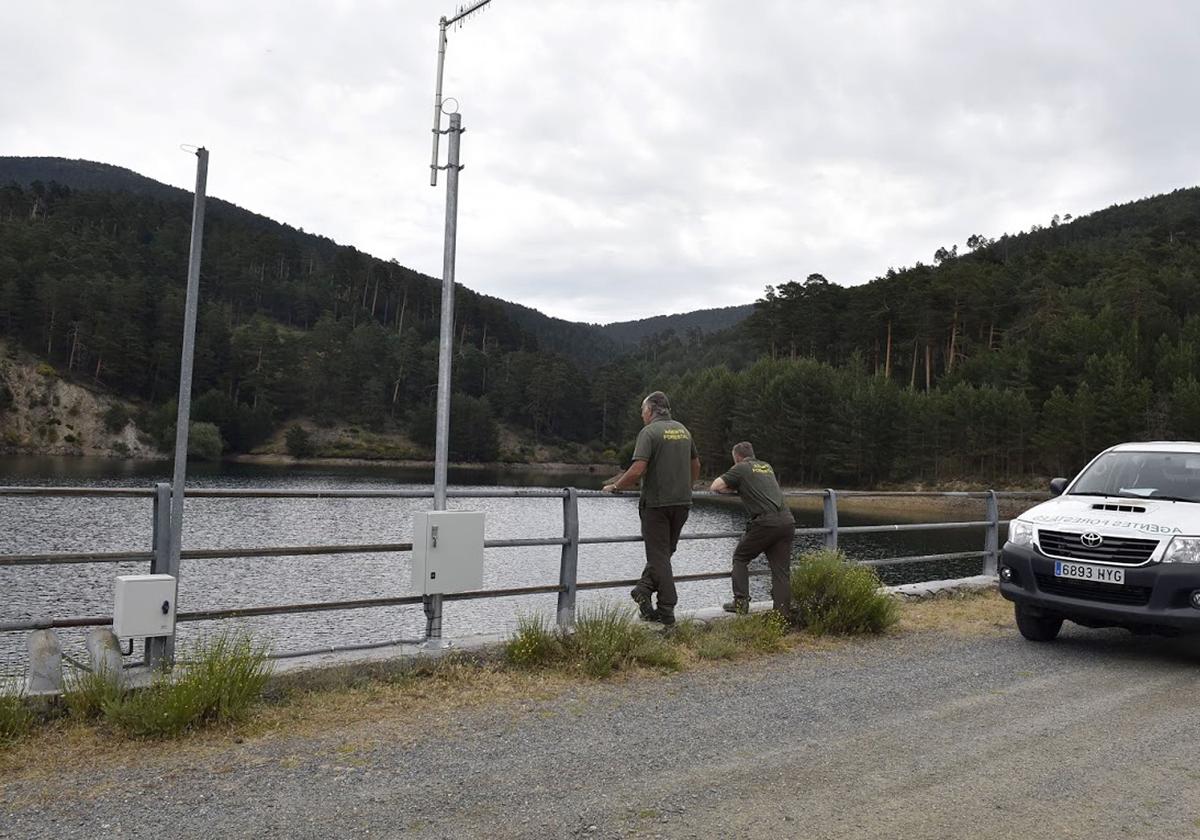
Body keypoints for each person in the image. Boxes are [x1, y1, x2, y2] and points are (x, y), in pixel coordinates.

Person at [603, 391, 700, 626]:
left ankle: (667, 608)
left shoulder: (649, 433)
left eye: (642, 411)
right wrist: (687, 488)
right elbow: (696, 464)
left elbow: (637, 469)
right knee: (664, 555)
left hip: (656, 505)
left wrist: (616, 486)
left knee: (659, 556)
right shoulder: (683, 431)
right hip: (682, 503)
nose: (641, 415)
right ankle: (643, 590)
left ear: (651, 411)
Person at [710, 441, 795, 617]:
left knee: (740, 557)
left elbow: (715, 486)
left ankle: (740, 603)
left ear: (737, 457)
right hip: (787, 521)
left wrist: (733, 487)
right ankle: (782, 616)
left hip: (765, 522)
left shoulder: (741, 468)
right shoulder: (766, 466)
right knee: (781, 571)